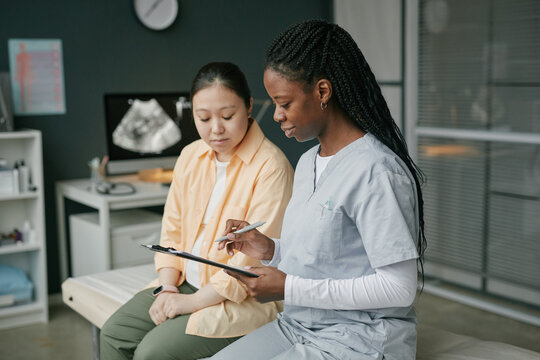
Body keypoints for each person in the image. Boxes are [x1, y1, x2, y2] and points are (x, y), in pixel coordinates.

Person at [212, 20, 427, 360]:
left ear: (323, 92)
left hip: (362, 339)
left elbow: (399, 289)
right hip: (299, 325)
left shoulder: (377, 171)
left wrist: (288, 287)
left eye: (284, 103)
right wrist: (268, 249)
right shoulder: (308, 162)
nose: (278, 116)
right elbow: (327, 259)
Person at [100, 62, 294, 360]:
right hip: (183, 283)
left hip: (238, 298)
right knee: (114, 334)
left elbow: (250, 264)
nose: (216, 128)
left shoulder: (271, 167)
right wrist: (167, 287)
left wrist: (189, 305)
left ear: (250, 106)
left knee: (151, 353)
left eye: (228, 116)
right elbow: (172, 231)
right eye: (203, 118)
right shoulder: (190, 156)